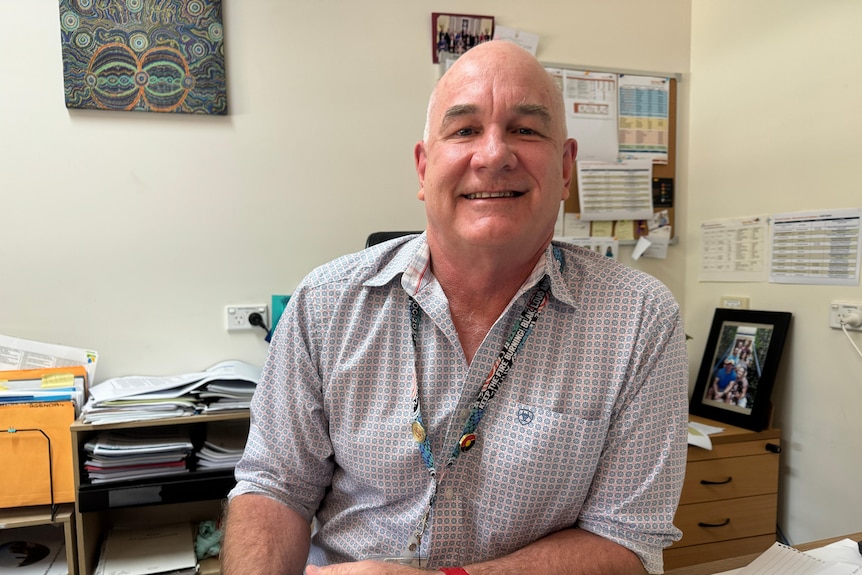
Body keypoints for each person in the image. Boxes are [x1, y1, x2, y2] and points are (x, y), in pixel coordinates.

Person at [222, 41, 688, 575]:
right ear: (424, 169)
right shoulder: (325, 303)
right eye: (465, 130)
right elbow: (274, 487)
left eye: (525, 129)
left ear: (565, 169)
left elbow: (626, 542)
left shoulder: (640, 319)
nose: (493, 155)